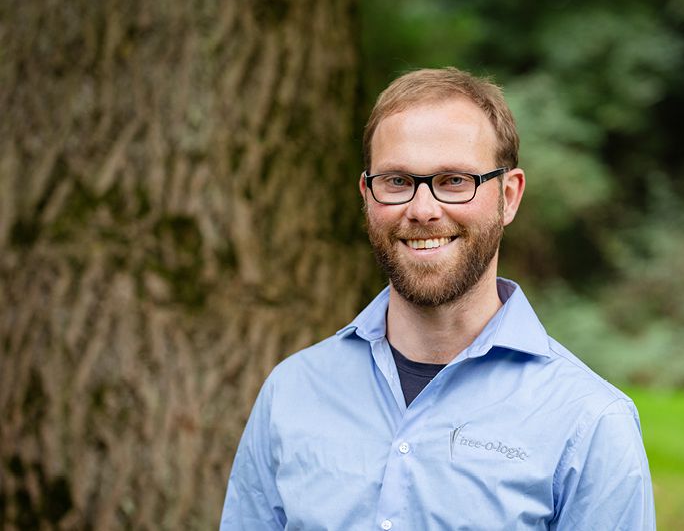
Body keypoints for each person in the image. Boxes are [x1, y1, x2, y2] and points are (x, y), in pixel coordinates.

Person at [220, 67, 656, 530]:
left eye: (453, 180)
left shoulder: (589, 423)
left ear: (509, 197)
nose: (423, 210)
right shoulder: (292, 392)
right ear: (367, 195)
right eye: (396, 181)